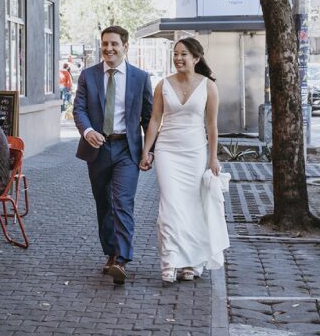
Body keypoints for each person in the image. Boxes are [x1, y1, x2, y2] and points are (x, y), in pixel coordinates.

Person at [140, 37, 225, 284]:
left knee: (193, 207)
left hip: (196, 152)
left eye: (183, 54)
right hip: (168, 150)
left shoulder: (208, 86)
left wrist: (213, 158)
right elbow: (154, 120)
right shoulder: (162, 85)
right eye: (175, 54)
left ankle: (192, 262)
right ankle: (169, 262)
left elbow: (212, 126)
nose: (178, 58)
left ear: (196, 58)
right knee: (169, 207)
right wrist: (147, 151)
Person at [73, 25, 153, 285]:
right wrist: (87, 132)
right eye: (105, 43)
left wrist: (149, 151)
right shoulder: (88, 75)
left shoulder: (140, 78)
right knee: (104, 204)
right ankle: (110, 252)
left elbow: (149, 118)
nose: (109, 48)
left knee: (122, 203)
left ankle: (122, 259)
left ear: (125, 46)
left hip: (127, 149)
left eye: (114, 44)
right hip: (97, 148)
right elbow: (79, 109)